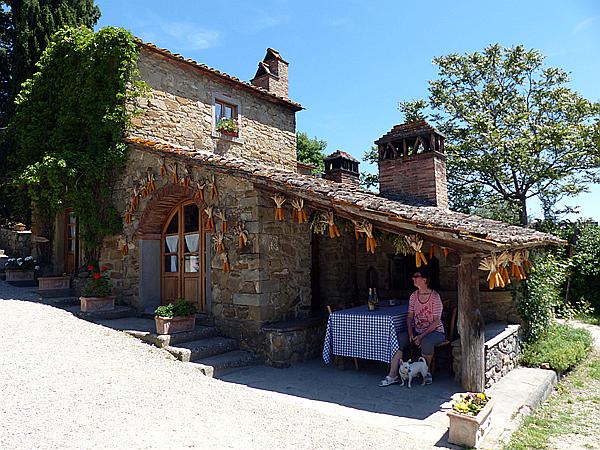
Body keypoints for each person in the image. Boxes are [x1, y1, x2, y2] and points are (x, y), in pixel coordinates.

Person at [379, 269, 445, 386]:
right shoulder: (414, 296)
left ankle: (426, 371)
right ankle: (392, 374)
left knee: (427, 342)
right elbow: (410, 317)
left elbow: (436, 321)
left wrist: (421, 336)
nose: (413, 278)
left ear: (424, 280)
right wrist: (410, 333)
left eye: (416, 276)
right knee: (398, 339)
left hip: (435, 331)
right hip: (416, 330)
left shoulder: (435, 297)